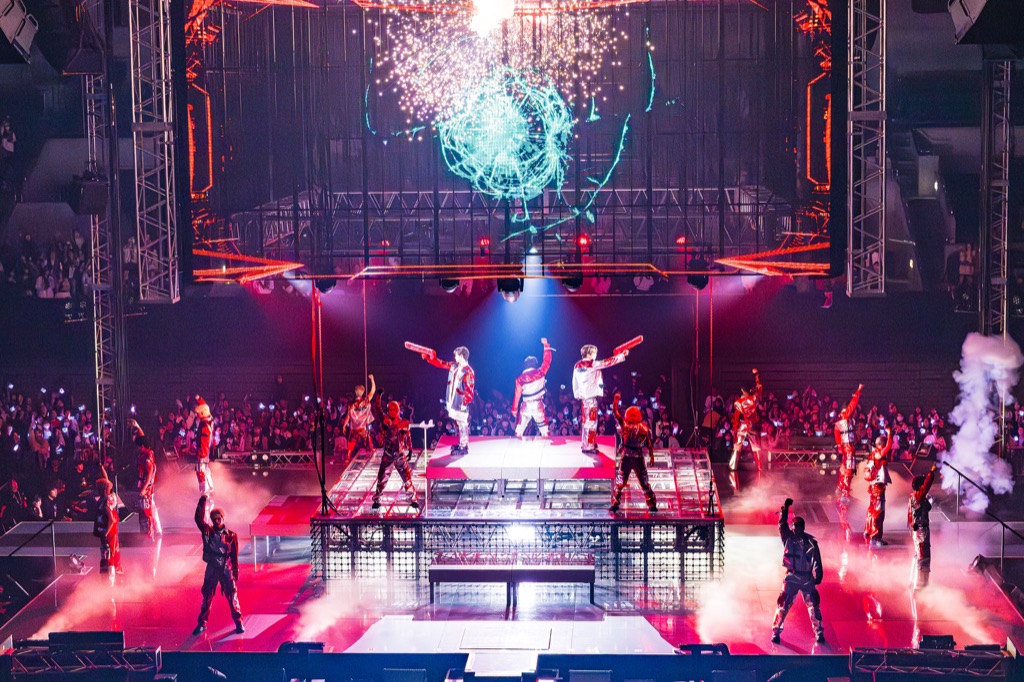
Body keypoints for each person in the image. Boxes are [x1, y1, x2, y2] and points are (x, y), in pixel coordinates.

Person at [771, 498, 825, 644]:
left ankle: (819, 632)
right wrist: (786, 509)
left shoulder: (811, 543)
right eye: (794, 527)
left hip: (806, 577)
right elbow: (782, 525)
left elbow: (817, 560)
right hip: (791, 576)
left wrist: (818, 575)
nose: (795, 530)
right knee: (783, 605)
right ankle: (776, 631)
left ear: (802, 528)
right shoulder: (788, 538)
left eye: (797, 527)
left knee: (814, 606)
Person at [193, 495, 244, 636]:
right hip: (212, 568)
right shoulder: (207, 531)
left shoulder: (231, 535)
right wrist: (202, 502)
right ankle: (202, 624)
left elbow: (234, 555)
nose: (216, 521)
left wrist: (235, 571)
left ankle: (239, 622)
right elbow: (198, 519)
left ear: (223, 519)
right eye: (214, 519)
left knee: (232, 597)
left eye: (218, 518)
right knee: (207, 597)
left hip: (226, 569)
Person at [573, 345, 628, 454]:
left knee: (585, 422)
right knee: (591, 423)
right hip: (591, 398)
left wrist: (577, 394)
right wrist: (621, 356)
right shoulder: (592, 364)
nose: (595, 355)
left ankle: (586, 443)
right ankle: (589, 446)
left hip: (584, 398)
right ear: (589, 353)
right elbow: (607, 362)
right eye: (594, 353)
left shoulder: (577, 365)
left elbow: (574, 381)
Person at [421, 347, 475, 454]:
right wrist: (429, 359)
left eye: (456, 355)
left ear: (461, 356)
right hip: (453, 400)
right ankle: (461, 443)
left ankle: (464, 446)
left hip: (461, 402)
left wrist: (465, 402)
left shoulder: (469, 371)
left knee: (462, 423)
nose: (455, 357)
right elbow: (441, 363)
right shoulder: (454, 366)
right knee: (458, 423)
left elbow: (470, 389)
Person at [609, 393, 657, 513]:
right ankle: (615, 502)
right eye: (631, 415)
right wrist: (615, 401)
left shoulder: (643, 428)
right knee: (620, 482)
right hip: (626, 457)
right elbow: (615, 413)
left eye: (635, 415)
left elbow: (649, 443)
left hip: (637, 457)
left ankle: (652, 503)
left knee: (644, 482)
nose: (633, 417)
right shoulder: (625, 425)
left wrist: (652, 456)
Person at [371, 393, 418, 510]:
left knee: (407, 478)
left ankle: (412, 499)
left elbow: (408, 437)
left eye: (393, 410)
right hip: (388, 455)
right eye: (390, 410)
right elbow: (378, 409)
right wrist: (379, 396)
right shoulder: (386, 421)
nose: (391, 412)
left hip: (400, 455)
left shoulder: (404, 423)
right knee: (382, 479)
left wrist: (410, 449)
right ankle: (377, 500)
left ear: (397, 411)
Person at [512, 338, 553, 438]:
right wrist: (546, 346)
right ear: (535, 364)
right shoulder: (541, 372)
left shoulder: (519, 379)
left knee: (519, 431)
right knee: (545, 431)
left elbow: (517, 396)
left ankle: (515, 446)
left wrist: (514, 410)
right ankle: (547, 444)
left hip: (526, 406)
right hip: (538, 405)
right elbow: (547, 361)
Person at [908, 463, 939, 589]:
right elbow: (927, 485)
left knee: (918, 555)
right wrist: (931, 472)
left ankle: (913, 580)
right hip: (921, 531)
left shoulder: (914, 497)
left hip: (918, 530)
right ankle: (921, 585)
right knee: (923, 557)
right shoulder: (918, 496)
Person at [729, 369, 764, 470]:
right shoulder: (754, 399)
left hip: (742, 425)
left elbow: (736, 417)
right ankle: (759, 466)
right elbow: (759, 388)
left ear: (742, 390)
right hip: (753, 425)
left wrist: (735, 429)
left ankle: (733, 466)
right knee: (756, 446)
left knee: (737, 446)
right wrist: (756, 375)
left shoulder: (738, 402)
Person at [864, 428, 893, 547]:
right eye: (884, 444)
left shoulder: (873, 454)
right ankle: (875, 537)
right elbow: (889, 447)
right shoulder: (878, 454)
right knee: (878, 513)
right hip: (878, 488)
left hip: (873, 487)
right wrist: (890, 434)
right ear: (881, 445)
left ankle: (868, 531)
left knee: (872, 510)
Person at [834, 384, 863, 498]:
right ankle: (845, 491)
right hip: (848, 447)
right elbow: (853, 404)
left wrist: (839, 446)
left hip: (846, 446)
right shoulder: (845, 416)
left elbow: (838, 433)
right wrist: (858, 390)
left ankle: (840, 486)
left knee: (844, 467)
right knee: (849, 469)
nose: (854, 412)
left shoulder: (843, 419)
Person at [92, 478, 122, 587]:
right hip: (108, 533)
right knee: (108, 556)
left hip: (108, 534)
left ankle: (109, 584)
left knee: (108, 557)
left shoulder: (105, 502)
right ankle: (109, 582)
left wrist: (105, 533)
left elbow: (111, 520)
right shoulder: (109, 498)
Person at [342, 374, 376, 461]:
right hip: (362, 428)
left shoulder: (351, 404)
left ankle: (347, 457)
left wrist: (344, 425)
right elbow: (373, 390)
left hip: (354, 428)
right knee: (367, 440)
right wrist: (372, 380)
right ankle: (371, 453)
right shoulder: (365, 401)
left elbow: (348, 416)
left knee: (351, 444)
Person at [135, 429, 161, 540]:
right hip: (146, 486)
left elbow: (149, 476)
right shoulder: (148, 452)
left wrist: (143, 489)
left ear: (142, 447)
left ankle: (150, 532)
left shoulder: (147, 460)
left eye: (138, 447)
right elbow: (143, 437)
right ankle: (156, 530)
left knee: (147, 509)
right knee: (151, 508)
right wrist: (137, 427)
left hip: (147, 487)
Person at [194, 396, 214, 496]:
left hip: (203, 452)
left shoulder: (204, 426)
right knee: (205, 469)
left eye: (198, 413)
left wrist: (200, 455)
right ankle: (210, 488)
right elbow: (205, 406)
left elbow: (204, 443)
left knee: (200, 470)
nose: (196, 414)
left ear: (202, 413)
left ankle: (204, 492)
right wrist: (199, 399)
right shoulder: (209, 418)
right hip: (206, 452)